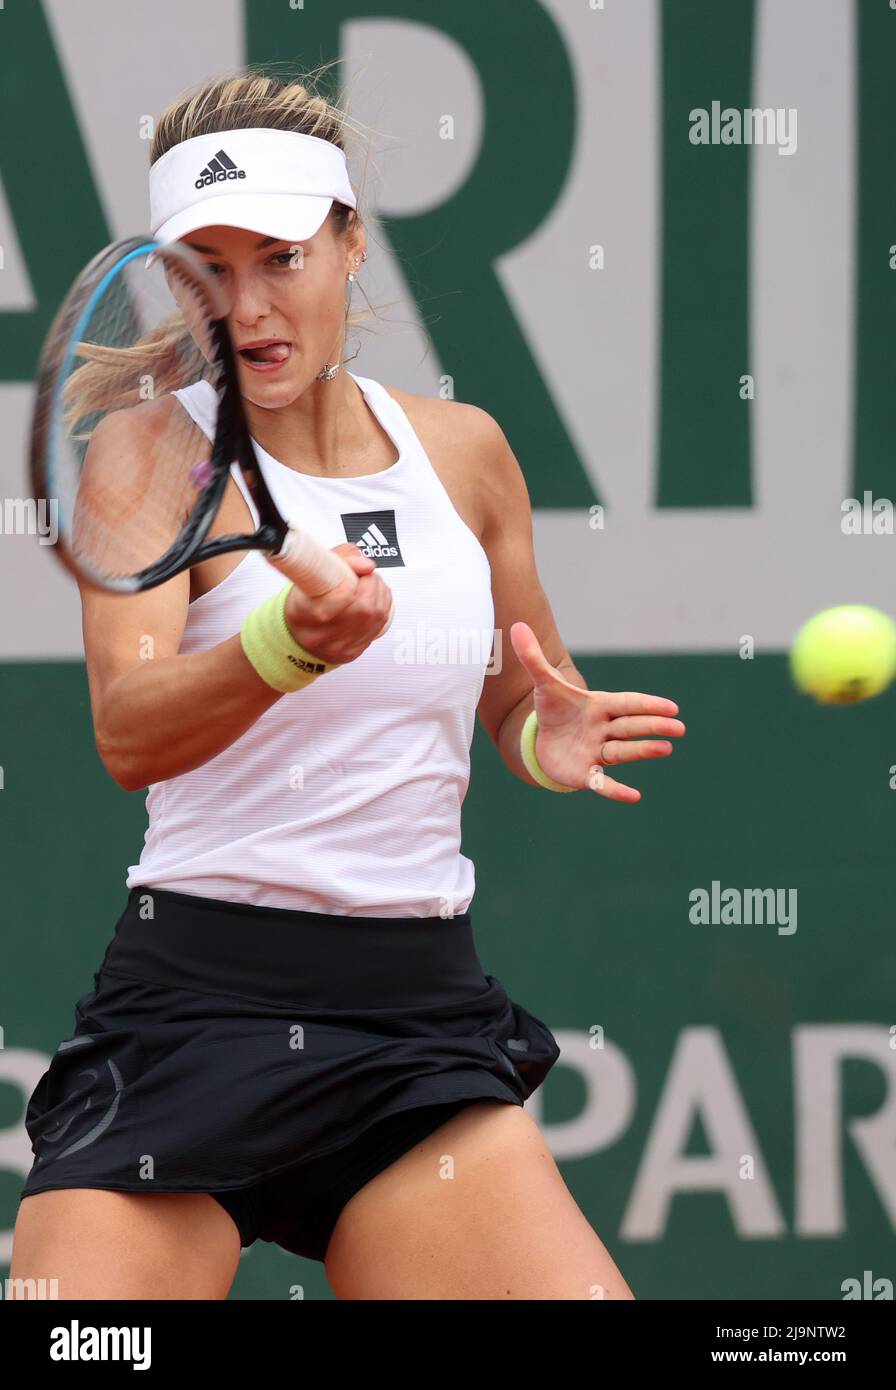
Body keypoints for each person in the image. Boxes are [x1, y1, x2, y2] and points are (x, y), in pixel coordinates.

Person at [10, 68, 684, 1300]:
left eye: (278, 257)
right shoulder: (151, 452)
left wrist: (552, 734)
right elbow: (129, 730)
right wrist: (286, 651)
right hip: (194, 1007)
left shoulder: (465, 453)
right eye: (204, 268)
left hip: (410, 1028)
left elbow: (518, 701)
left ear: (349, 244)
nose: (247, 305)